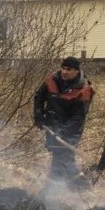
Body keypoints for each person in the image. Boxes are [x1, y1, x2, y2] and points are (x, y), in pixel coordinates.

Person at [33, 56, 94, 186]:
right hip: (52, 126)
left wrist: (62, 132)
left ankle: (51, 189)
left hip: (71, 131)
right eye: (63, 68)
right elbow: (39, 97)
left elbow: (78, 118)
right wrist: (39, 115)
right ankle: (81, 186)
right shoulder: (51, 80)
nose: (64, 72)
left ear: (77, 71)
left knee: (61, 157)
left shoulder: (84, 90)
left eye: (69, 69)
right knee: (64, 158)